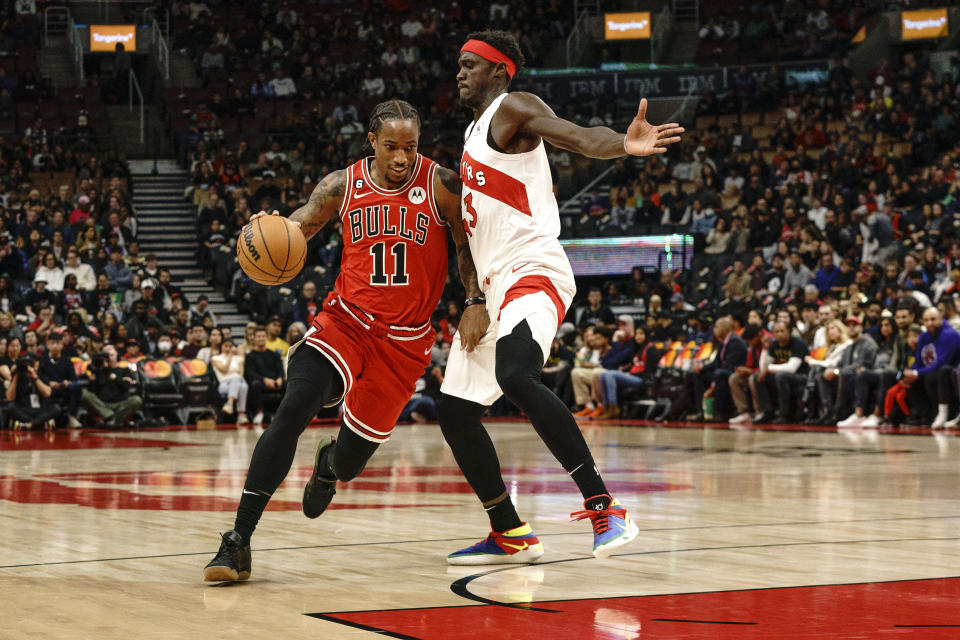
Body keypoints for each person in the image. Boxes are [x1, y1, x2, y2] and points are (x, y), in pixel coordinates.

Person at [203, 99, 486, 582]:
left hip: (404, 343)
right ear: (371, 142)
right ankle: (237, 541)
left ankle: (329, 467)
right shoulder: (342, 184)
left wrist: (475, 300)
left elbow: (465, 246)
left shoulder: (439, 184)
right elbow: (301, 224)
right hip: (345, 321)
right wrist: (275, 229)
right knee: (293, 409)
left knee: (353, 461)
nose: (401, 157)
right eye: (391, 146)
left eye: (411, 146)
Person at [437, 29, 683, 565]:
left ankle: (605, 507)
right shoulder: (474, 133)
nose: (459, 72)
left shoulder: (514, 107)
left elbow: (576, 135)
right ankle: (509, 530)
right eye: (458, 65)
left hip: (534, 266)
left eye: (469, 64)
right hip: (493, 286)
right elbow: (468, 236)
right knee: (454, 410)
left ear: (500, 70)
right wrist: (474, 300)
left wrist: (623, 143)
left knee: (516, 375)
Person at [82, 345, 143, 428]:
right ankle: (110, 417)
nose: (110, 358)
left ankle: (111, 420)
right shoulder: (98, 371)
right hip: (103, 404)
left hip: (120, 403)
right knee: (85, 394)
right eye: (107, 356)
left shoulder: (124, 370)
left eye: (112, 355)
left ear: (117, 355)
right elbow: (92, 391)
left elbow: (127, 386)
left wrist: (115, 378)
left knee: (136, 400)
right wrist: (92, 380)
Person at [6, 354, 59, 430]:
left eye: (34, 362)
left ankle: (28, 425)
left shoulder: (42, 376)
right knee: (10, 407)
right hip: (24, 410)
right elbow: (9, 398)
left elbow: (47, 393)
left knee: (56, 408)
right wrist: (15, 376)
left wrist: (35, 376)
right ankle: (39, 423)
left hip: (40, 411)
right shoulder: (19, 377)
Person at [212, 339, 249, 425]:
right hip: (224, 384)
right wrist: (230, 356)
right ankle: (241, 414)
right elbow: (224, 369)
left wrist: (233, 380)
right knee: (242, 385)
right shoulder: (216, 358)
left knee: (240, 382)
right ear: (221, 347)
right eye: (226, 346)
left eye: (230, 346)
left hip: (237, 381)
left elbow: (241, 373)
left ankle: (230, 405)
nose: (228, 348)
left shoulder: (238, 358)